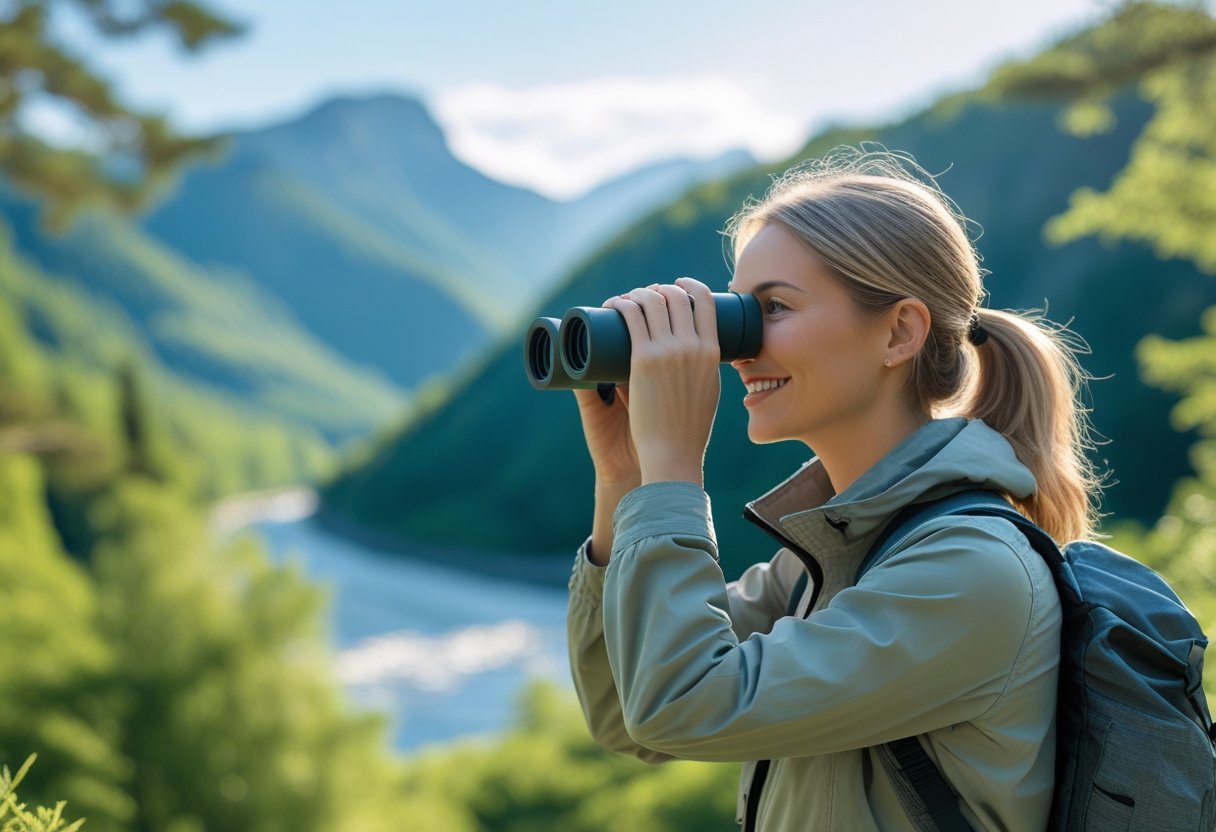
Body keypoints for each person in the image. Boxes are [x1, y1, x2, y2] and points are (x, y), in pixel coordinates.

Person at [565, 146, 1101, 831]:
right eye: (737, 312)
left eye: (773, 308)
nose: (738, 349)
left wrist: (672, 465)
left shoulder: (970, 570)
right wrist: (625, 479)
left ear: (899, 332)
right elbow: (627, 714)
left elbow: (681, 705)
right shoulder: (832, 556)